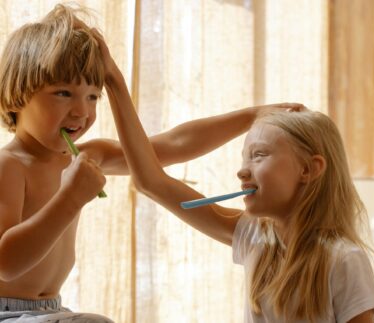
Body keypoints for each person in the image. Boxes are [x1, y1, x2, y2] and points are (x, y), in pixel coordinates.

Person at [0, 3, 303, 322]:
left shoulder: (90, 156)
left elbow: (173, 145)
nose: (81, 111)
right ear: (19, 94)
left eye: (92, 96)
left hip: (51, 311)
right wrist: (70, 199)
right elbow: (6, 264)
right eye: (63, 93)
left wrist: (251, 116)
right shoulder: (10, 166)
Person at [100, 25, 374, 323]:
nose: (242, 170)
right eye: (245, 157)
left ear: (309, 169)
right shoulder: (255, 238)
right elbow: (150, 182)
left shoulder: (344, 260)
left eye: (259, 155)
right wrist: (114, 82)